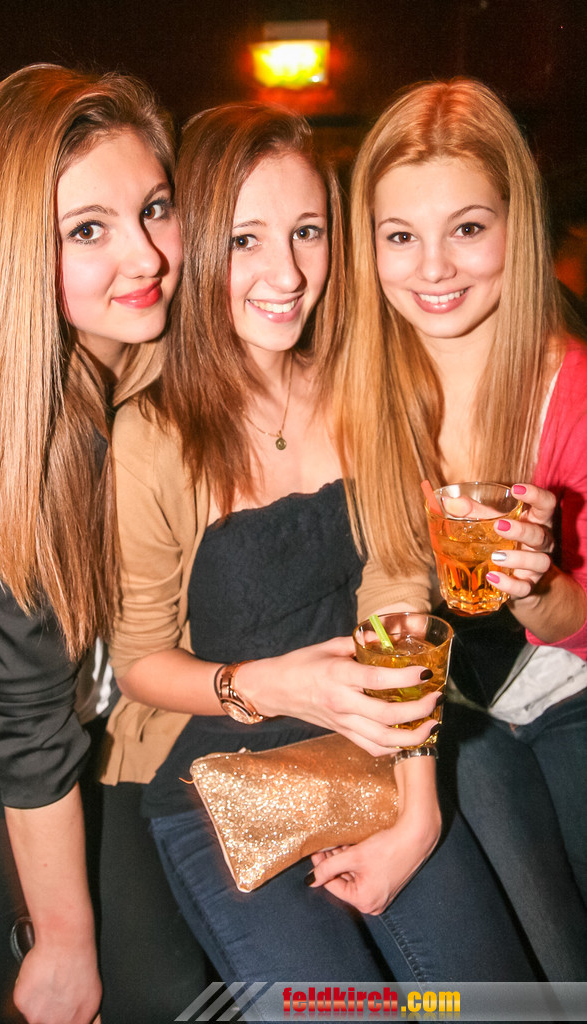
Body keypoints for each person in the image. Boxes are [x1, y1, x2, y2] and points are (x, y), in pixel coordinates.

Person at [101, 101, 535, 1005]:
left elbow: (396, 590)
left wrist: (418, 813)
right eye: (245, 240)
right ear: (198, 247)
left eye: (307, 231)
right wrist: (276, 686)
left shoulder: (359, 386)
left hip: (381, 746)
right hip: (220, 776)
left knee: (492, 997)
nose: (287, 273)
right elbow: (140, 662)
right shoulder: (150, 437)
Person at [0, 63, 188, 1024]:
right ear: (19, 253)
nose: (145, 256)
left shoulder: (163, 370)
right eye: (87, 230)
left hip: (97, 725)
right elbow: (23, 726)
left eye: (155, 208)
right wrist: (64, 944)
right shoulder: (6, 439)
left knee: (169, 989)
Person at [340, 77, 587, 980]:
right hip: (457, 714)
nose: (433, 268)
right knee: (537, 969)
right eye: (401, 235)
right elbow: (390, 587)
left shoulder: (573, 389)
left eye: (468, 228)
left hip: (570, 690)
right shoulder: (362, 386)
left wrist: (542, 586)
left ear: (519, 225)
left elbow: (575, 627)